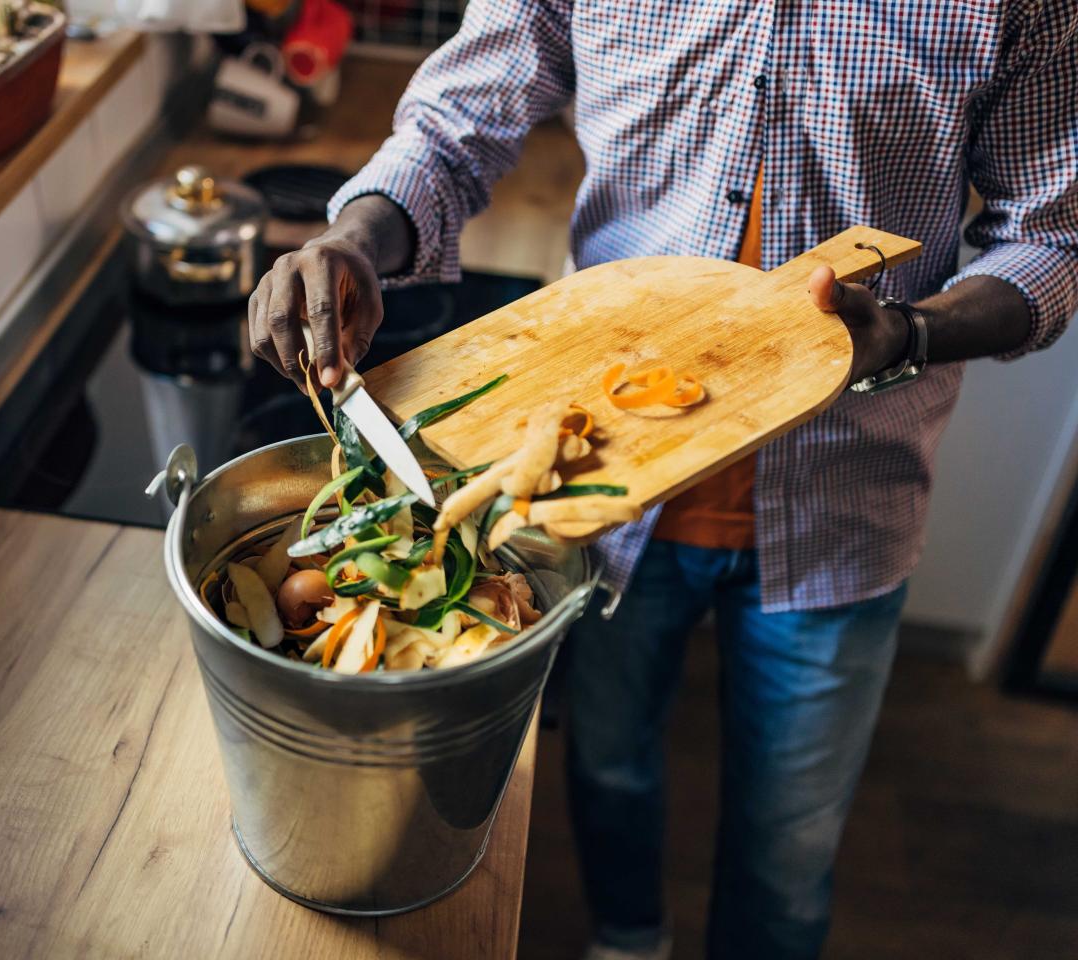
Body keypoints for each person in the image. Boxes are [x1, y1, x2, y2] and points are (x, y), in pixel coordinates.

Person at [247, 2, 1078, 957]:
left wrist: (908, 333)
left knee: (791, 849)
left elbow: (1051, 240)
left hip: (847, 500)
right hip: (597, 502)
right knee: (608, 769)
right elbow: (451, 126)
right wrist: (355, 236)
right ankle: (630, 940)